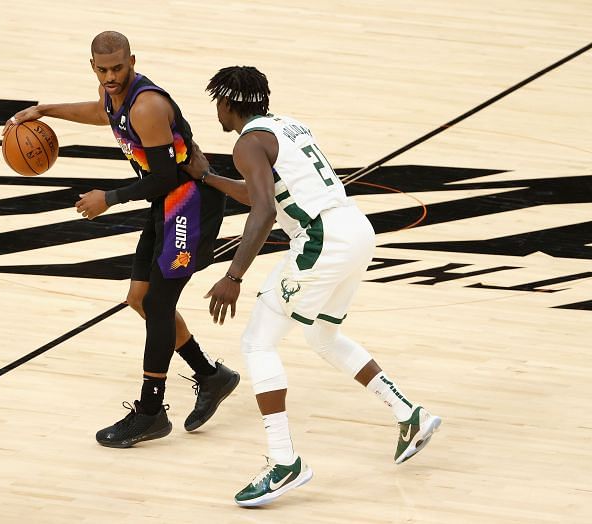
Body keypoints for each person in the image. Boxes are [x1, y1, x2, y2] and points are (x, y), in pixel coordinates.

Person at [182, 65, 441, 507]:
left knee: (258, 344)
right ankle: (409, 414)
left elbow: (263, 212)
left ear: (228, 102)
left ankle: (284, 463)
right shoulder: (286, 126)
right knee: (322, 335)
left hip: (322, 239)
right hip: (355, 230)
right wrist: (206, 177)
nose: (216, 111)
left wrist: (233, 277)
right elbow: (264, 192)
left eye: (217, 102)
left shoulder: (247, 143)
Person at [4, 32, 239, 448]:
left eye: (117, 68)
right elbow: (102, 112)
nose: (110, 77)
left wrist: (108, 198)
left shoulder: (148, 105)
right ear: (92, 65)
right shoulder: (111, 92)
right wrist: (45, 111)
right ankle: (210, 375)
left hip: (188, 204)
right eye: (102, 69)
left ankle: (150, 413)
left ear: (132, 60)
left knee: (160, 305)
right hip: (164, 203)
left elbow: (166, 176)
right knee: (140, 299)